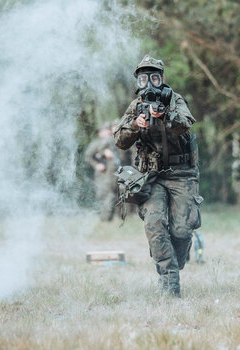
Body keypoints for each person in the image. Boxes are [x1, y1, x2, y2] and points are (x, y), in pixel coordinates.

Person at [113, 55, 203, 297]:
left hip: (181, 174)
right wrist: (135, 125)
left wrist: (166, 116)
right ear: (139, 82)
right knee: (155, 225)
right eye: (144, 78)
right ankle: (169, 281)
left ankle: (175, 263)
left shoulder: (174, 100)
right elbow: (119, 140)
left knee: (182, 231)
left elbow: (185, 124)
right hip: (150, 176)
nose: (150, 83)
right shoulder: (136, 106)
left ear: (161, 79)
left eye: (154, 77)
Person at [85, 122, 132, 221]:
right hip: (109, 171)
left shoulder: (122, 139)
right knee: (108, 195)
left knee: (123, 193)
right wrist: (99, 161)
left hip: (122, 169)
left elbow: (130, 153)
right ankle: (106, 218)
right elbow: (90, 156)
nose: (106, 132)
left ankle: (122, 217)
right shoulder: (102, 143)